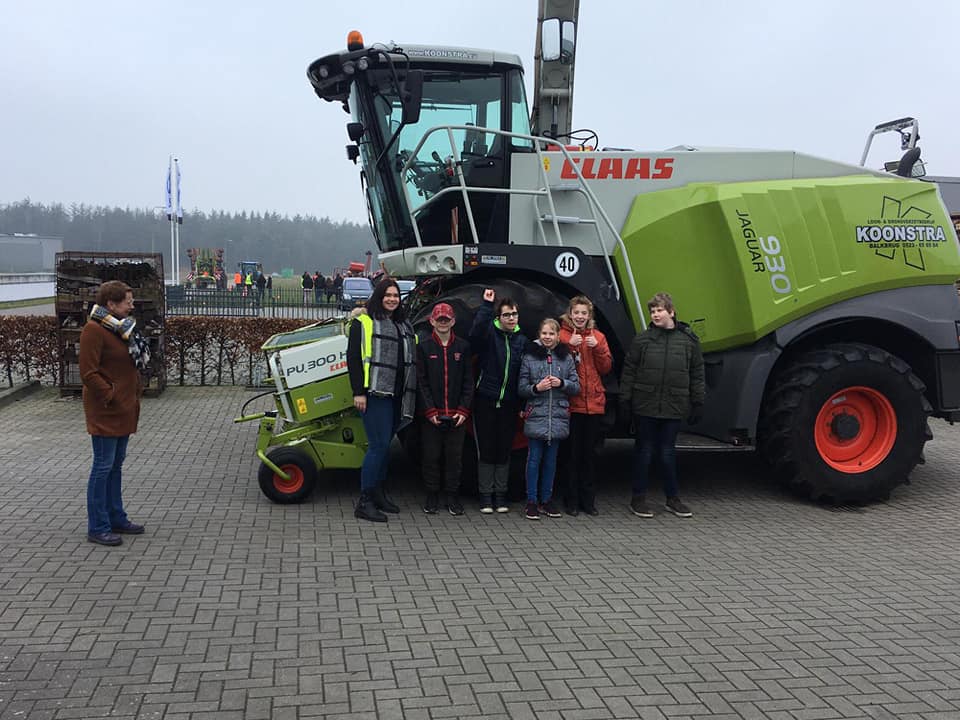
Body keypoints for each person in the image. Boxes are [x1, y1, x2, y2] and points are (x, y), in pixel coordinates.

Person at [619, 292, 705, 519]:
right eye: (653, 311)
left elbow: (697, 373)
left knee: (667, 453)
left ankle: (672, 499)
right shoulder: (642, 340)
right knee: (644, 452)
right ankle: (638, 499)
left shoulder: (688, 341)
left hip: (673, 405)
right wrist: (625, 401)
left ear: (671, 312)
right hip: (645, 404)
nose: (656, 314)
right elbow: (629, 371)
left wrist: (698, 402)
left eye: (659, 310)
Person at [79, 281, 150, 546]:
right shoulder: (93, 331)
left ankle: (116, 517)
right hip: (106, 411)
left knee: (115, 467)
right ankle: (97, 526)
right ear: (111, 304)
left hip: (124, 409)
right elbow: (88, 372)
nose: (132, 306)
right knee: (102, 467)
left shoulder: (122, 329)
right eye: (127, 302)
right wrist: (109, 394)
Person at [346, 278, 418, 522]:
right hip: (375, 393)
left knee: (385, 446)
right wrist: (358, 392)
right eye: (387, 295)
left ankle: (378, 493)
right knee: (377, 447)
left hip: (399, 394)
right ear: (379, 296)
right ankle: (364, 501)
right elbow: (354, 359)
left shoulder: (403, 325)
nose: (392, 299)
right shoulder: (364, 322)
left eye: (396, 296)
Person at [468, 288, 527, 514]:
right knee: (487, 450)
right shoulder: (489, 336)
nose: (511, 318)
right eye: (506, 315)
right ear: (498, 317)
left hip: (510, 402)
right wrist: (485, 306)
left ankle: (500, 496)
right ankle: (485, 496)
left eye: (514, 315)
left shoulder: (521, 341)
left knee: (504, 449)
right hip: (486, 399)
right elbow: (476, 333)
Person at [518, 318, 580, 520]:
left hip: (558, 416)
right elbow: (521, 388)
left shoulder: (566, 357)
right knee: (534, 460)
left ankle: (547, 500)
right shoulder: (529, 357)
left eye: (551, 334)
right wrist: (537, 388)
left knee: (551, 462)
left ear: (557, 336)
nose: (547, 337)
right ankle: (531, 502)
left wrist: (561, 383)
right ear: (539, 334)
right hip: (537, 413)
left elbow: (576, 386)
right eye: (544, 333)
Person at [416, 302, 474, 516]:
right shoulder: (423, 347)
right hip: (433, 415)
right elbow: (420, 382)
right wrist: (430, 411)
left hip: (456, 416)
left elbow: (469, 381)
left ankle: (452, 496)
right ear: (432, 321)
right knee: (431, 457)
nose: (443, 323)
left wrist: (463, 410)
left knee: (454, 458)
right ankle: (432, 495)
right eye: (439, 319)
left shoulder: (462, 347)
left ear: (453, 321)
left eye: (446, 319)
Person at [558, 295, 613, 516]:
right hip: (573, 404)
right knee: (572, 455)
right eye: (576, 312)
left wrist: (597, 348)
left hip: (594, 404)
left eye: (584, 313)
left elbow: (606, 368)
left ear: (589, 316)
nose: (580, 317)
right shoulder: (562, 336)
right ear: (570, 314)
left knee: (589, 456)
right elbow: (556, 364)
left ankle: (588, 501)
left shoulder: (598, 337)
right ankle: (570, 500)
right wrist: (569, 347)